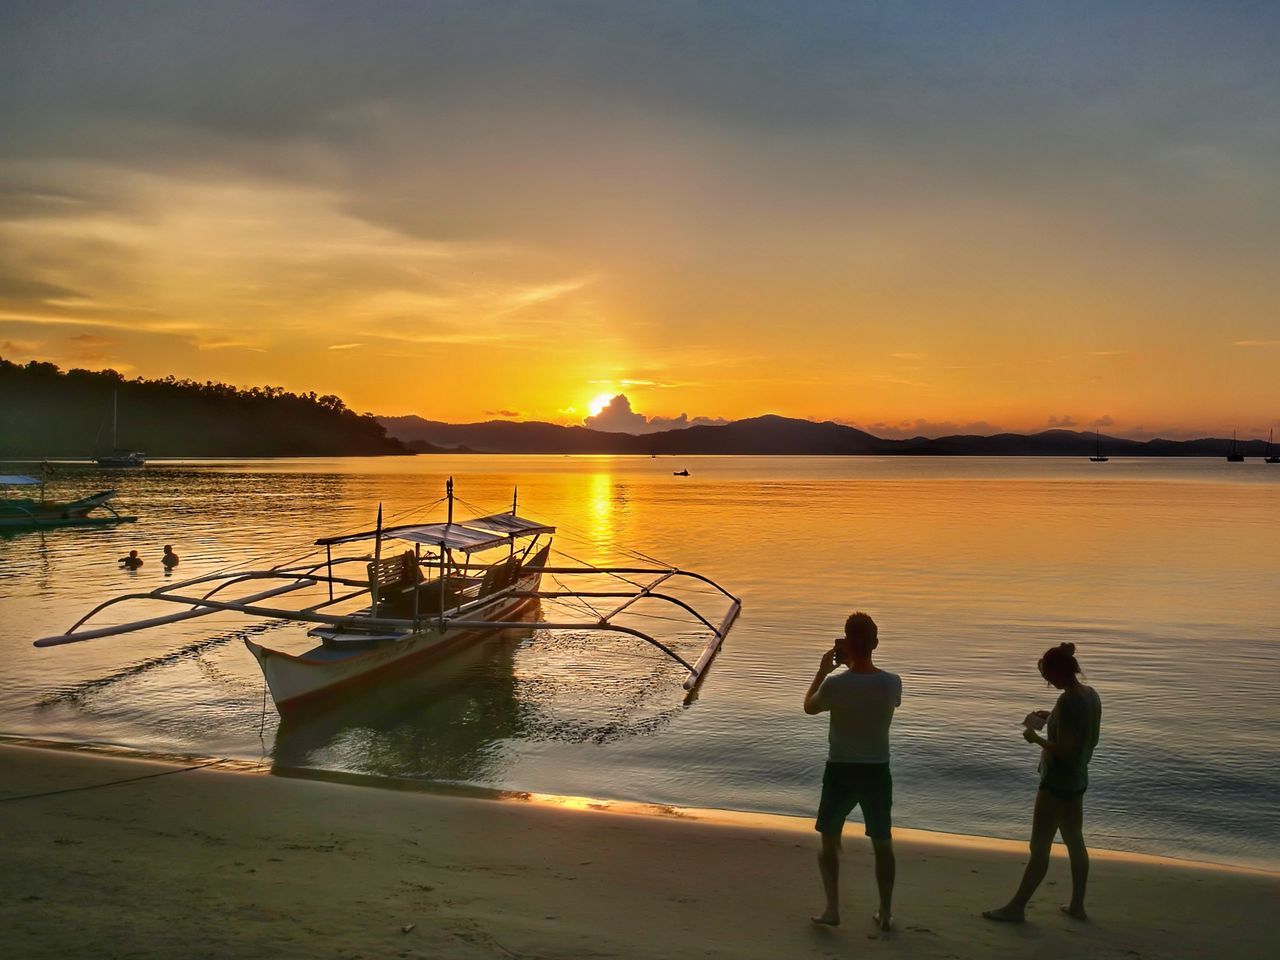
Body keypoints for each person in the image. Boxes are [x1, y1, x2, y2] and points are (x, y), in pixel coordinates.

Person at [983, 642, 1102, 923]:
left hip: (1056, 785)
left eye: (1048, 677)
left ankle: (1016, 908)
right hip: (1078, 781)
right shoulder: (1091, 696)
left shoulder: (1068, 702)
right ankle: (1077, 905)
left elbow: (1064, 748)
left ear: (1058, 672)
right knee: (1075, 842)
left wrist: (1035, 738)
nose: (1047, 682)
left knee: (1039, 848)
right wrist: (1050, 720)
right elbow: (1085, 736)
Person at [804, 611, 902, 931]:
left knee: (830, 841)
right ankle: (885, 913)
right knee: (882, 843)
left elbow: (809, 707)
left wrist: (823, 671)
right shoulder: (892, 683)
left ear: (846, 642)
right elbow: (871, 694)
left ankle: (833, 909)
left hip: (841, 770)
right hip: (877, 770)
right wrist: (851, 666)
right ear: (875, 642)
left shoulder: (835, 685)